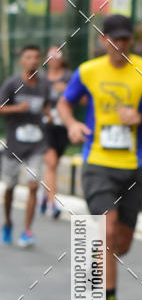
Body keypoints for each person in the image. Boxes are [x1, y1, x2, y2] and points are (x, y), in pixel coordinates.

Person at [58, 14, 142, 300]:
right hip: (97, 162)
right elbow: (65, 104)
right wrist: (72, 125)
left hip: (134, 165)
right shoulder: (88, 71)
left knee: (121, 243)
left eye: (125, 39)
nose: (119, 45)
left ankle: (100, 268)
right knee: (107, 233)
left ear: (130, 41)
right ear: (103, 40)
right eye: (114, 39)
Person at [0, 44, 50, 247]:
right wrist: (18, 108)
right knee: (10, 187)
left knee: (32, 185)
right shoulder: (12, 83)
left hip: (37, 144)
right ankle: (8, 222)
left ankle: (27, 230)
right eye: (28, 57)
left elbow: (47, 105)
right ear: (22, 61)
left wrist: (48, 113)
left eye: (36, 57)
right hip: (14, 144)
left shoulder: (44, 84)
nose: (33, 61)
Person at [41, 45, 72, 219]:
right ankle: (53, 203)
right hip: (46, 126)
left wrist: (66, 91)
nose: (53, 58)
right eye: (50, 55)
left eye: (56, 54)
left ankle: (45, 197)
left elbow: (82, 99)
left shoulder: (69, 76)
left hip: (63, 127)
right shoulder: (42, 78)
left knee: (54, 165)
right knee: (51, 163)